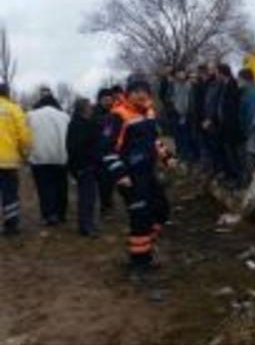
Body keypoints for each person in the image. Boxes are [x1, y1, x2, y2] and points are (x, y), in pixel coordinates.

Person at [99, 74, 174, 274]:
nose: (141, 95)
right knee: (140, 217)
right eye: (136, 91)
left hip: (148, 172)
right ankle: (140, 261)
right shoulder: (118, 116)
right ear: (128, 94)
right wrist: (120, 174)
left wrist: (167, 157)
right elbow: (106, 150)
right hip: (130, 177)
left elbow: (155, 141)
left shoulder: (148, 113)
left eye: (144, 91)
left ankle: (148, 246)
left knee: (161, 209)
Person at [27, 93, 70, 226]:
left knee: (44, 187)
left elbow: (25, 134)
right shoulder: (65, 116)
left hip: (39, 156)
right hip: (61, 156)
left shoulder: (31, 115)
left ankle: (49, 215)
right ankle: (61, 213)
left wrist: (26, 153)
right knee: (61, 186)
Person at [0, 82, 31, 235]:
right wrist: (26, 151)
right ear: (7, 93)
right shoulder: (14, 109)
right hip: (8, 161)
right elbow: (24, 135)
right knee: (9, 193)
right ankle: (11, 225)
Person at [66, 98, 101, 237]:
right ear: (84, 109)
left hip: (83, 165)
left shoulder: (76, 123)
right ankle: (86, 226)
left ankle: (87, 224)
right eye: (89, 107)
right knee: (87, 197)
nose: (92, 109)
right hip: (85, 165)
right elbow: (77, 147)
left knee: (88, 196)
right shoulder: (81, 124)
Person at [215, 64, 242, 187]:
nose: (216, 75)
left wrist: (228, 123)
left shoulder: (232, 85)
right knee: (228, 152)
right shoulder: (223, 85)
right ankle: (231, 176)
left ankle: (239, 179)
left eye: (217, 72)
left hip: (231, 127)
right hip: (223, 125)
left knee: (234, 154)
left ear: (222, 73)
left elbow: (233, 108)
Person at [94, 88, 117, 216]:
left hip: (112, 149)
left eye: (110, 99)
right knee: (102, 179)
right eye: (105, 99)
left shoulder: (115, 112)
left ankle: (108, 201)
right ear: (100, 100)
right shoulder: (95, 113)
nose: (108, 101)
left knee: (111, 178)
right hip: (99, 151)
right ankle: (104, 204)